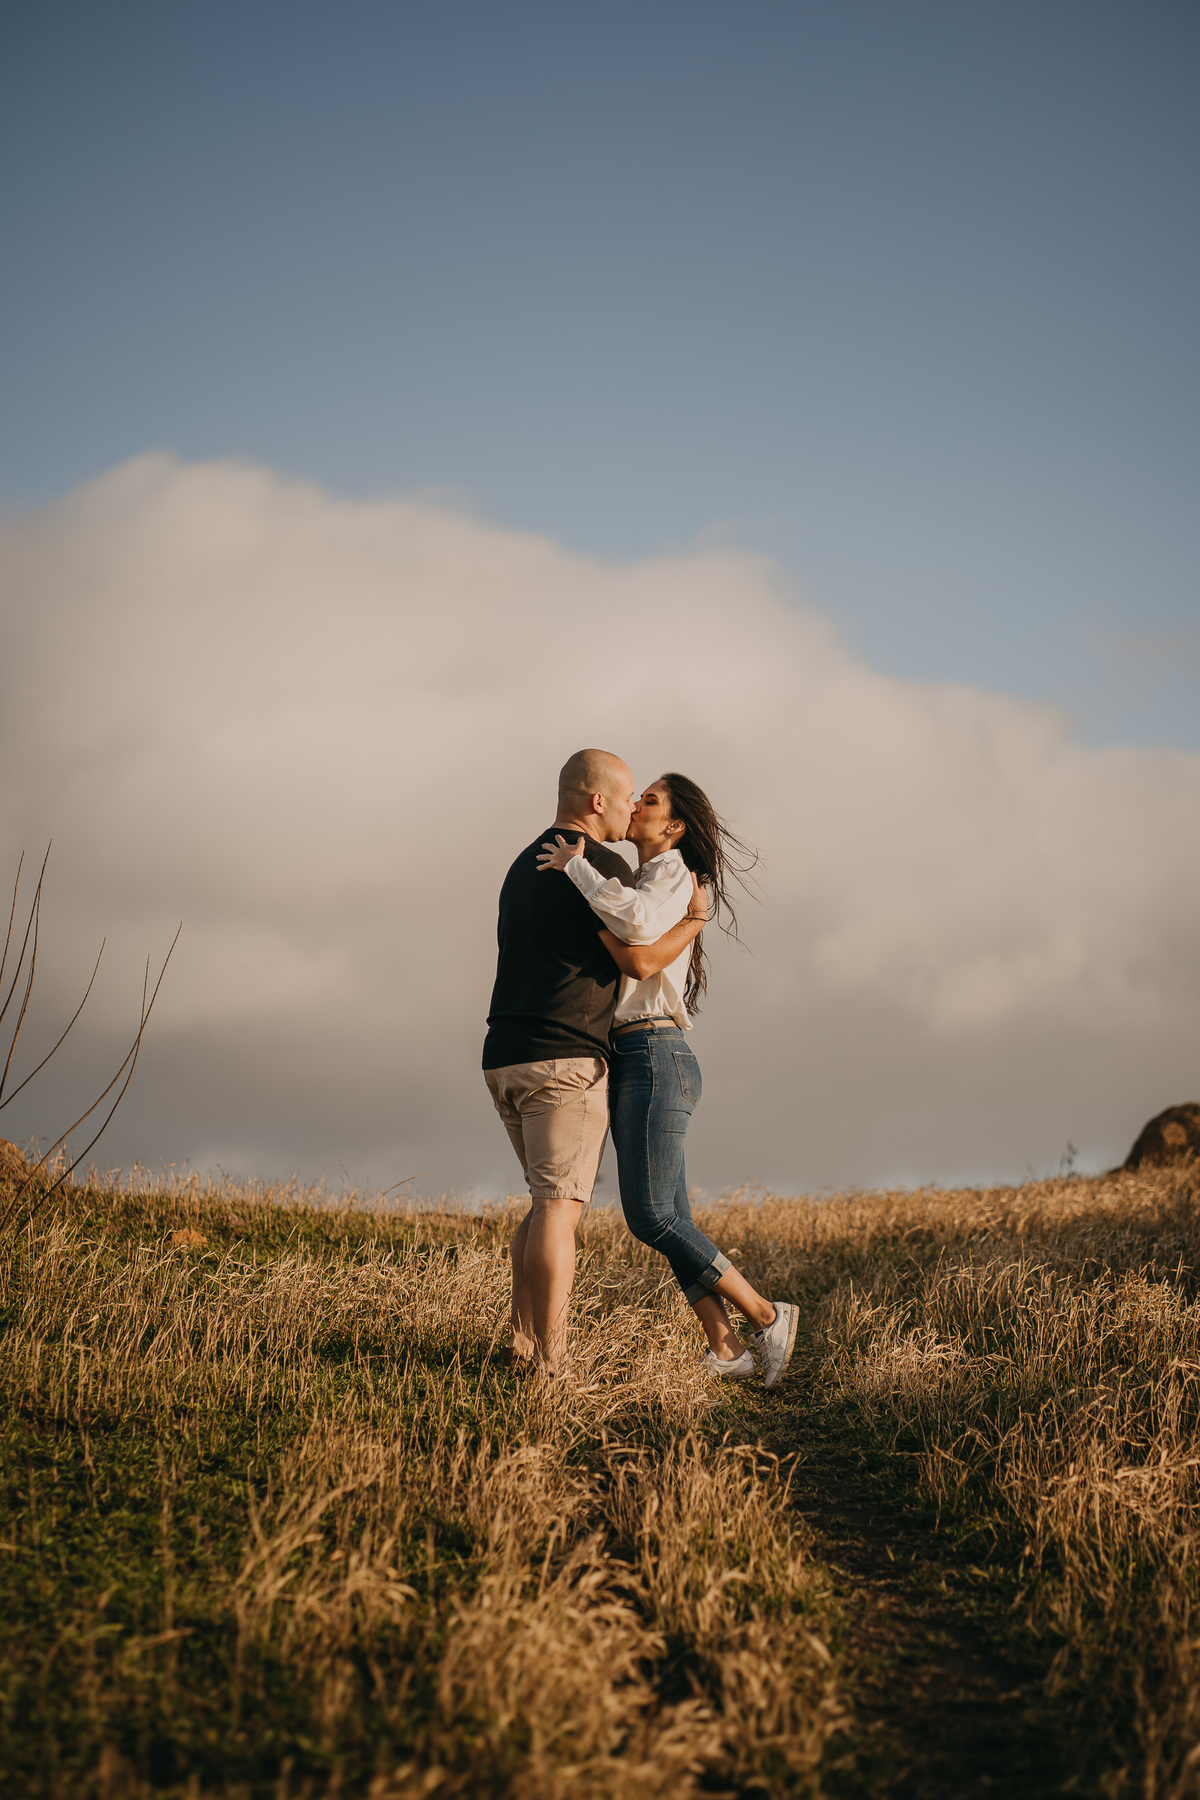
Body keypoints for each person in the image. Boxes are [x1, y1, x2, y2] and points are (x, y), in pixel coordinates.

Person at [537, 773, 798, 1389]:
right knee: (672, 1213)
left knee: (651, 1214)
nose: (635, 805)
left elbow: (633, 932)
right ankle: (726, 1347)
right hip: (634, 1054)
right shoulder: (646, 875)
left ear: (673, 826)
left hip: (655, 1051)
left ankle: (765, 1313)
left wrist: (576, 867)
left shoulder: (671, 871)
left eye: (648, 800)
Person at [483, 749, 706, 1372]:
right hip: (566, 1056)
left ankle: (521, 1343)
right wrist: (693, 920)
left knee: (539, 1202)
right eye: (630, 796)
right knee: (559, 1209)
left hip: (505, 1054)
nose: (635, 808)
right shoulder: (602, 865)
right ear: (598, 802)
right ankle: (550, 1360)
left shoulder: (520, 864)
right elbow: (639, 950)